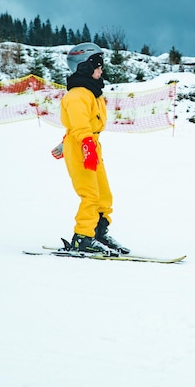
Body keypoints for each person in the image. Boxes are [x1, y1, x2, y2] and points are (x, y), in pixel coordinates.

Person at [51, 42, 129, 254]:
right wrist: (85, 146)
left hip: (90, 145)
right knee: (90, 195)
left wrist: (67, 142)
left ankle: (97, 232)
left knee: (104, 195)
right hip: (82, 147)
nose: (101, 70)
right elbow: (79, 126)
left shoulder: (91, 94)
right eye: (97, 65)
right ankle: (82, 237)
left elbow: (81, 124)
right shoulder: (77, 95)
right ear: (84, 67)